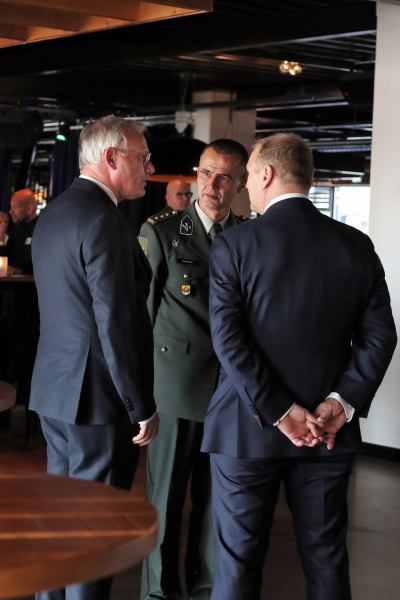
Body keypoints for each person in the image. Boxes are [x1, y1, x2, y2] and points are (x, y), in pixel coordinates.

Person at [201, 133, 397, 600]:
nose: (246, 184)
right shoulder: (357, 245)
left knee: (237, 564)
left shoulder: (234, 244)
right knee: (327, 561)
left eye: (249, 174)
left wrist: (280, 410)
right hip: (328, 433)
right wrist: (340, 403)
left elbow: (229, 340)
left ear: (267, 174)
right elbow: (380, 337)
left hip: (244, 432)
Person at [29, 115, 159, 600]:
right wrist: (140, 405)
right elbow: (115, 324)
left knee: (61, 523)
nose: (150, 168)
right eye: (143, 158)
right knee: (93, 530)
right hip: (99, 402)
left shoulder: (54, 212)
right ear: (111, 158)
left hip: (55, 392)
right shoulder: (104, 219)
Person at [139, 139, 249, 600]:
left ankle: (206, 590)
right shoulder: (163, 230)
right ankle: (158, 593)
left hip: (229, 392)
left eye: (224, 176)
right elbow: (142, 316)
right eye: (206, 173)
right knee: (165, 500)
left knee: (215, 505)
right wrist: (139, 396)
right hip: (175, 388)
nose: (212, 184)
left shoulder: (248, 235)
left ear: (242, 183)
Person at [3, 189, 38, 274]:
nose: (10, 211)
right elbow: (7, 254)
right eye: (11, 207)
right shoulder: (16, 230)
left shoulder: (42, 230)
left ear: (29, 209)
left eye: (15, 207)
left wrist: (22, 271)